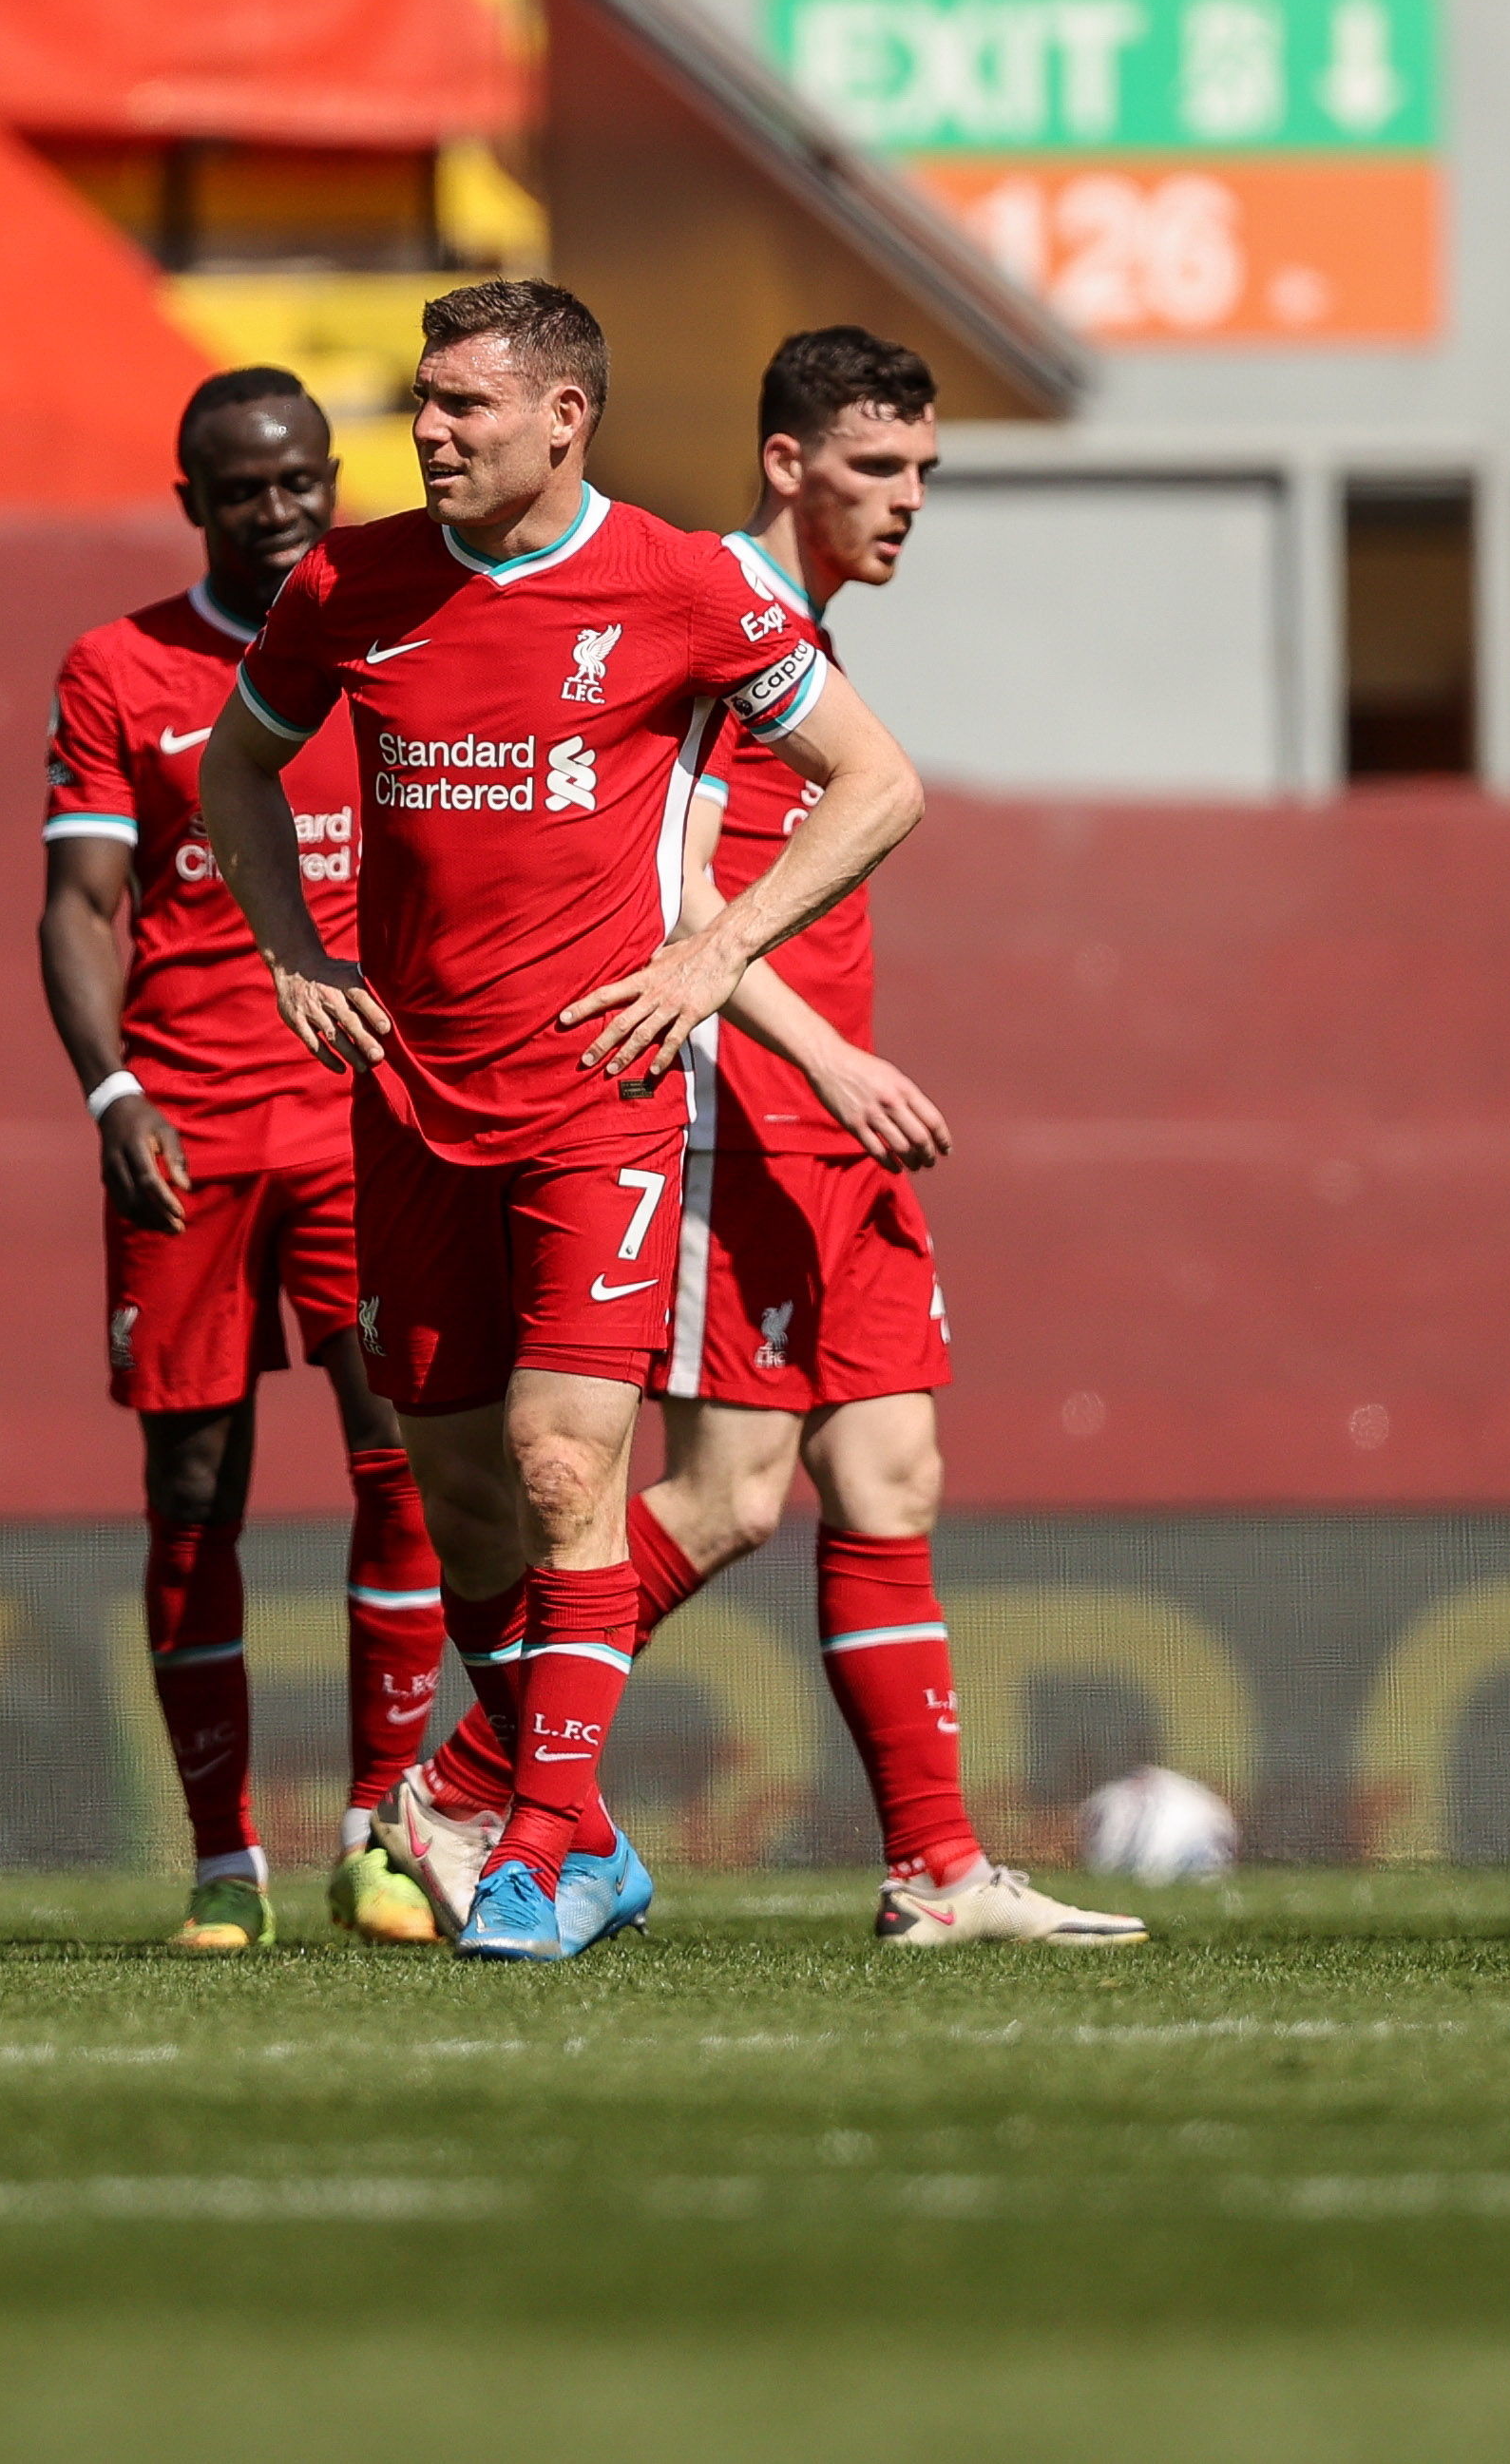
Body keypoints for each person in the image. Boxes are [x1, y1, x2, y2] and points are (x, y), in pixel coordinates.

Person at [373, 329, 1135, 1946]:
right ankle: (474, 1784)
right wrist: (813, 1045)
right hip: (725, 1109)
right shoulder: (707, 608)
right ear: (784, 463)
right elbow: (681, 897)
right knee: (720, 1495)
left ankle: (935, 1871)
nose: (908, 501)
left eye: (927, 471)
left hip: (825, 1125)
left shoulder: (803, 625)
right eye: (875, 467)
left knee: (891, 1472)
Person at [200, 277, 922, 1963]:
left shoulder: (682, 583)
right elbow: (236, 772)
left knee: (557, 1464)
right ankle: (579, 1828)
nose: (427, 430)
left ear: (562, 417)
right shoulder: (350, 582)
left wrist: (717, 948)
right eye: (424, 402)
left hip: (597, 1099)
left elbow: (877, 780)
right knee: (454, 1494)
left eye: (461, 403)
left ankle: (532, 1848)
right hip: (410, 1103)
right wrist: (291, 950)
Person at [39, 368, 441, 1953]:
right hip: (190, 1132)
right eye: (240, 488)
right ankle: (222, 1861)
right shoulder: (118, 666)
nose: (275, 511)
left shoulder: (396, 637)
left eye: (297, 482)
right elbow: (81, 907)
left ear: (331, 479)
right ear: (190, 499)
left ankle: (380, 1832)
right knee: (192, 1489)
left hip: (362, 1114)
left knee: (399, 1453)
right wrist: (112, 1092)